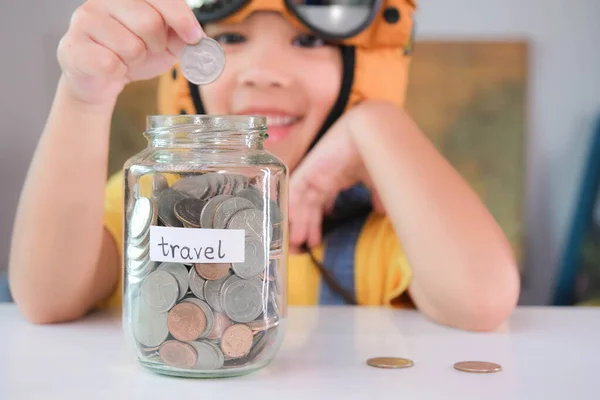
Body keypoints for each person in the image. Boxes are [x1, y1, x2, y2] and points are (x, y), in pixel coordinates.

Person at [8, 0, 520, 331]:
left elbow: (481, 300)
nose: (264, 74)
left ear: (364, 63)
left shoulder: (387, 229)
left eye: (309, 40)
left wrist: (375, 123)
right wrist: (85, 97)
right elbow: (46, 300)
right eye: (229, 39)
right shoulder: (152, 200)